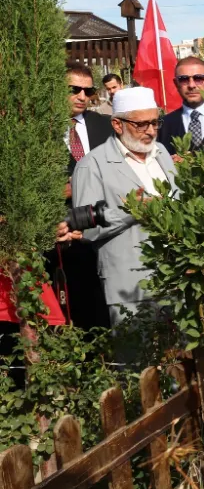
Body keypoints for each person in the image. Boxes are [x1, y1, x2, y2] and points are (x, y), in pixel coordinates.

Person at [72, 87, 177, 325]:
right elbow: (84, 227)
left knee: (178, 358)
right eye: (141, 124)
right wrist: (131, 212)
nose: (150, 131)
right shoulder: (93, 165)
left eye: (155, 122)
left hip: (174, 276)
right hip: (130, 285)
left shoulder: (162, 154)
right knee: (138, 359)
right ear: (118, 125)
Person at [54, 62, 115, 329]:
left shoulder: (105, 125)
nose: (82, 97)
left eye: (88, 91)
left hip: (104, 227)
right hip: (63, 234)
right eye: (74, 89)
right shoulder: (37, 128)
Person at [158, 57, 204, 157]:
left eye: (198, 78)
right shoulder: (163, 126)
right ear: (176, 83)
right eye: (184, 79)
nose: (191, 85)